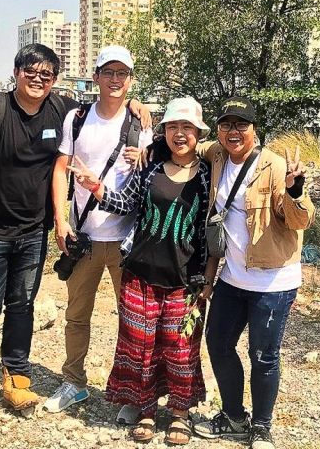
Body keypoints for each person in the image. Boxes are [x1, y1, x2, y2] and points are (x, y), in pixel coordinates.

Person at [0, 44, 150, 423]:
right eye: (31, 71)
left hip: (56, 234)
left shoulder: (82, 113)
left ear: (55, 80)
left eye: (46, 74)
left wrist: (139, 106)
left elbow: (119, 108)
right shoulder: (5, 111)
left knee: (25, 306)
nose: (38, 79)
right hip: (4, 229)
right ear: (16, 71)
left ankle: (20, 379)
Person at [69, 97, 217, 445]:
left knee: (181, 349)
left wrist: (208, 278)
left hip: (186, 281)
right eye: (173, 127)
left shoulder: (210, 175)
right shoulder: (149, 167)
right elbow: (127, 204)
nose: (180, 134)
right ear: (164, 132)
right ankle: (146, 409)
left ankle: (180, 413)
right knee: (141, 346)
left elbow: (213, 233)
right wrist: (97, 188)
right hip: (140, 274)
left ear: (198, 134)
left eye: (187, 128)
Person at [191, 97, 314, 449]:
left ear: (254, 130)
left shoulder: (274, 167)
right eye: (227, 124)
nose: (233, 131)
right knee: (217, 343)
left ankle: (261, 426)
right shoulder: (216, 155)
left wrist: (295, 191)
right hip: (232, 278)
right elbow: (187, 141)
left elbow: (300, 220)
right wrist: (148, 124)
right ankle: (233, 416)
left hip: (273, 282)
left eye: (241, 124)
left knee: (263, 355)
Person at [44, 45, 153, 418]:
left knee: (132, 320)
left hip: (126, 242)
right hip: (84, 238)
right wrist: (60, 221)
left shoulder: (141, 123)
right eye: (109, 72)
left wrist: (146, 156)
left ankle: (130, 393)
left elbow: (152, 178)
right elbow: (61, 169)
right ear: (96, 77)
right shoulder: (76, 118)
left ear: (131, 79)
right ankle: (74, 381)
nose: (115, 80)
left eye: (123, 73)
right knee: (77, 315)